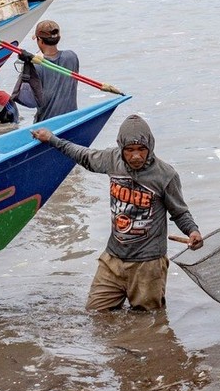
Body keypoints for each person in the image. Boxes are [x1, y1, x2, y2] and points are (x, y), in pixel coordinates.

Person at [31, 114, 203, 311]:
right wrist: (52, 140)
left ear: (150, 147)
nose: (136, 156)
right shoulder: (112, 159)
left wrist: (193, 232)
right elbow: (84, 155)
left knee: (148, 324)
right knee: (96, 313)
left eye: (141, 150)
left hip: (147, 265)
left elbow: (180, 212)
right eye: (130, 150)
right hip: (113, 259)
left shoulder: (165, 175)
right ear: (121, 148)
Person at [29, 20, 79, 122]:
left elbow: (29, 101)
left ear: (40, 40)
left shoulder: (36, 66)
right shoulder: (71, 57)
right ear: (58, 39)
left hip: (46, 124)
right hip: (72, 119)